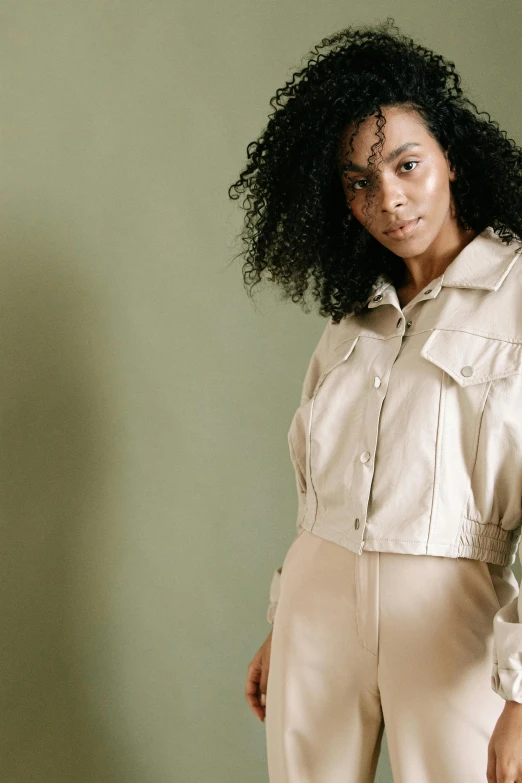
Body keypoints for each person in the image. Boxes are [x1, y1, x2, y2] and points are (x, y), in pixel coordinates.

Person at [228, 18, 522, 783]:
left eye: (406, 164)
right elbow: (323, 493)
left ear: (450, 158)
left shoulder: (517, 295)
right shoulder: (354, 312)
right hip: (314, 608)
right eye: (360, 181)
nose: (388, 197)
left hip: (450, 610)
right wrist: (284, 623)